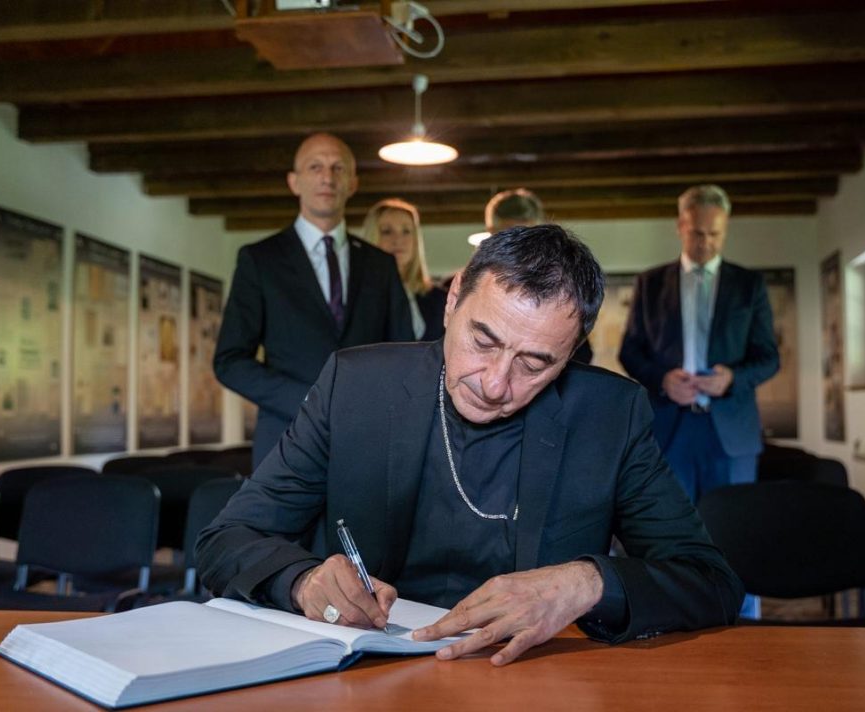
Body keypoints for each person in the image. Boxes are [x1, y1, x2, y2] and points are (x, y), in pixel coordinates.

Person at [198, 224, 743, 666]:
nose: (495, 383)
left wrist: (586, 583)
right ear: (453, 298)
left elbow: (712, 582)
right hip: (370, 675)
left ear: (572, 351)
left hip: (531, 679)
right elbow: (226, 539)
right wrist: (303, 581)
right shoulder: (356, 387)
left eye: (535, 363)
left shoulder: (609, 415)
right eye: (483, 340)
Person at [213, 133, 414, 468]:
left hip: (369, 441)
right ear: (294, 182)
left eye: (338, 168)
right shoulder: (259, 260)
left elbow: (405, 354)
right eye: (315, 167)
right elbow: (229, 361)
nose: (327, 177)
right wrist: (307, 400)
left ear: (353, 183)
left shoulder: (380, 265)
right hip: (285, 442)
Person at [619, 185, 779, 503]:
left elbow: (769, 358)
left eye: (714, 234)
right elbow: (630, 351)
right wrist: (662, 380)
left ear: (726, 228)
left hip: (730, 433)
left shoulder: (749, 285)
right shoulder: (650, 284)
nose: (706, 242)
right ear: (681, 226)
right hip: (667, 429)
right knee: (668, 527)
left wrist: (731, 378)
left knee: (732, 526)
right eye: (697, 233)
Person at [481, 188, 593, 364]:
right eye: (508, 238)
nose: (518, 248)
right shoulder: (467, 284)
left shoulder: (564, 291)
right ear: (492, 232)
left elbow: (579, 357)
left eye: (527, 237)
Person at [362, 198, 447, 341]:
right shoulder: (358, 299)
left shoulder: (440, 299)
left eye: (406, 231)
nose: (398, 240)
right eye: (387, 231)